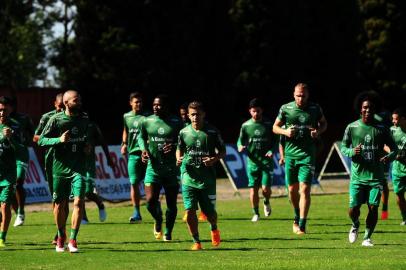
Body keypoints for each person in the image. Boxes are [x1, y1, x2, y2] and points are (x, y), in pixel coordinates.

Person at [341, 91, 397, 247]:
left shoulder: (381, 129)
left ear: (375, 110)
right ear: (360, 109)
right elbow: (344, 147)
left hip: (376, 177)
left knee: (373, 207)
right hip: (357, 177)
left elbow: (394, 149)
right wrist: (352, 152)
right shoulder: (351, 127)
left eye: (371, 108)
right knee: (353, 209)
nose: (367, 110)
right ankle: (355, 224)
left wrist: (389, 157)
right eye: (365, 107)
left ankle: (367, 237)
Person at [38, 90, 90, 253]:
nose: (79, 102)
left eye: (80, 99)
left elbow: (85, 139)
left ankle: (73, 240)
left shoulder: (84, 119)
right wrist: (58, 140)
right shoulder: (56, 119)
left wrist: (87, 147)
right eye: (76, 100)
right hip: (59, 169)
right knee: (59, 205)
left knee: (79, 201)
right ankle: (61, 236)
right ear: (66, 103)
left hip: (78, 168)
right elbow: (40, 140)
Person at [273, 83, 327, 234]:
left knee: (305, 189)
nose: (300, 98)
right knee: (292, 190)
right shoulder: (286, 109)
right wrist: (285, 131)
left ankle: (302, 224)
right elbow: (275, 127)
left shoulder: (315, 109)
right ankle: (296, 215)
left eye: (303, 95)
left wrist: (318, 131)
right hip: (290, 156)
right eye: (298, 95)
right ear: (293, 94)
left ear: (308, 95)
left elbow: (324, 124)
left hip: (307, 155)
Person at [176, 101, 226, 250]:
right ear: (188, 116)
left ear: (203, 114)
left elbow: (223, 151)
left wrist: (214, 159)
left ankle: (214, 228)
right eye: (192, 114)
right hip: (188, 177)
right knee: (190, 210)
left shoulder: (212, 132)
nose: (195, 117)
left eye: (198, 114)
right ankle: (196, 242)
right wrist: (178, 158)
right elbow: (179, 149)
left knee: (210, 213)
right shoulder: (183, 132)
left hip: (207, 179)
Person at [139, 94, 183, 241]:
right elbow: (140, 137)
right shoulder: (147, 121)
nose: (156, 107)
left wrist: (175, 146)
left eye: (159, 105)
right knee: (150, 201)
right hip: (153, 168)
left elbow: (185, 141)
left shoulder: (177, 122)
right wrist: (143, 150)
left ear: (166, 106)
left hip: (171, 169)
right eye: (154, 105)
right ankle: (158, 218)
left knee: (171, 203)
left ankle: (168, 232)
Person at [33, 93, 65, 244]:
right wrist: (57, 140)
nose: (61, 110)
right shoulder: (48, 117)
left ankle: (59, 234)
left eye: (63, 107)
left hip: (68, 162)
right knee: (56, 199)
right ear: (55, 104)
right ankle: (59, 231)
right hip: (51, 161)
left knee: (64, 200)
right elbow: (36, 137)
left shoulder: (74, 117)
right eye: (59, 107)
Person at [237, 98, 276, 222]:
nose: (256, 113)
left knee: (265, 190)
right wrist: (240, 146)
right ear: (250, 111)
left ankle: (266, 201)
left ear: (262, 111)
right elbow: (240, 140)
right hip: (252, 163)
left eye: (258, 111)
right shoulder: (246, 126)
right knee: (253, 189)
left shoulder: (269, 125)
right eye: (253, 111)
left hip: (266, 162)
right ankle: (255, 213)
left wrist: (272, 150)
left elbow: (276, 141)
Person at [8, 97, 35, 227]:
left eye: (5, 107)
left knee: (18, 182)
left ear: (12, 106)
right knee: (9, 186)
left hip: (20, 155)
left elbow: (33, 133)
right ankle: (17, 212)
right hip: (5, 157)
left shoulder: (24, 118)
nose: (2, 110)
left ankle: (21, 212)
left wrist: (27, 142)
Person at [121, 92, 147, 223]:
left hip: (147, 155)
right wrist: (124, 144)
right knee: (134, 183)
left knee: (150, 183)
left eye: (140, 102)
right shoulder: (127, 116)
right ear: (131, 103)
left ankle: (154, 207)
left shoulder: (148, 117)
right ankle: (137, 212)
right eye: (136, 102)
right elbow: (125, 130)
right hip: (133, 155)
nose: (139, 104)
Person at [0, 97, 23, 248]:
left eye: (4, 109)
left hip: (8, 173)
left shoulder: (15, 127)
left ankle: (2, 238)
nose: (1, 112)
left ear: (9, 110)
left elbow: (21, 149)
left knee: (5, 205)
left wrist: (10, 139)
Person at [81, 120, 113, 224]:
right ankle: (83, 217)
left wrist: (108, 158)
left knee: (88, 192)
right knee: (79, 191)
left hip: (89, 164)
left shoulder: (92, 125)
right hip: (76, 164)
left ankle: (100, 204)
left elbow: (102, 141)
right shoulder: (69, 125)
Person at [389, 107, 406, 225]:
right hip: (397, 169)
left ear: (403, 119)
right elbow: (384, 145)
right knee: (399, 195)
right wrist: (393, 154)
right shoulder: (392, 131)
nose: (394, 122)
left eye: (396, 119)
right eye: (393, 119)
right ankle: (405, 218)